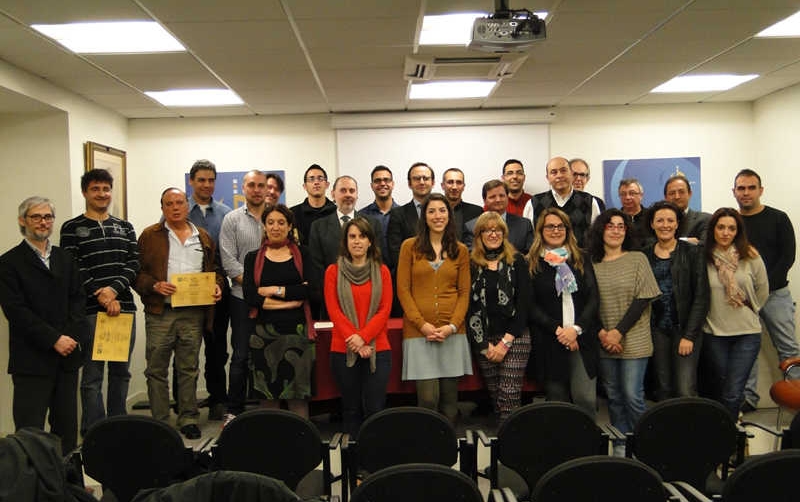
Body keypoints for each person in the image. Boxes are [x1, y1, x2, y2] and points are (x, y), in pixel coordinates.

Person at [135, 188, 224, 439]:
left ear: (187, 206)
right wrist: (154, 285)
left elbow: (215, 270)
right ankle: (161, 421)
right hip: (160, 311)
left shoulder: (203, 236)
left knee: (188, 367)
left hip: (193, 313)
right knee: (156, 368)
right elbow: (136, 273)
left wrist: (217, 285)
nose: (175, 207)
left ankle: (188, 417)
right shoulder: (150, 236)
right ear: (162, 208)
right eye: (169, 204)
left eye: (179, 203)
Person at [0, 196, 86, 453]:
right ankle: (33, 488)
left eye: (47, 216)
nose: (43, 222)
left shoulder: (65, 258)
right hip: (31, 361)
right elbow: (16, 311)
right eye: (36, 216)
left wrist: (69, 337)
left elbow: (78, 300)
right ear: (22, 221)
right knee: (30, 434)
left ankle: (67, 486)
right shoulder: (8, 263)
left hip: (67, 358)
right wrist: (54, 339)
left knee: (67, 430)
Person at [60, 169, 139, 435]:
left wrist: (114, 291)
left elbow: (133, 263)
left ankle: (118, 425)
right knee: (92, 377)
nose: (102, 194)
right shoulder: (71, 228)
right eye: (95, 189)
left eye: (106, 189)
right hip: (91, 311)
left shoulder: (125, 227)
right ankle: (94, 430)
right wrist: (100, 294)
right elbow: (74, 266)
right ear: (85, 192)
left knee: (121, 373)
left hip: (123, 309)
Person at [587, 209, 660, 455]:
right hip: (603, 338)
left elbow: (643, 299)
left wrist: (617, 333)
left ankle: (647, 443)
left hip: (634, 339)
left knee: (633, 395)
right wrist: (603, 334)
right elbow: (585, 303)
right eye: (610, 226)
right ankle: (620, 444)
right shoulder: (590, 263)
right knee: (614, 396)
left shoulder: (637, 259)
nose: (616, 230)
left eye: (621, 226)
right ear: (601, 230)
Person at [396, 193, 472, 422]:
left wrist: (451, 325)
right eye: (431, 211)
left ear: (449, 215)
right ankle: (426, 447)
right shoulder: (409, 247)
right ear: (424, 216)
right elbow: (403, 290)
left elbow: (464, 293)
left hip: (452, 333)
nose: (437, 216)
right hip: (420, 333)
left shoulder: (461, 250)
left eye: (442, 210)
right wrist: (422, 325)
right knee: (428, 399)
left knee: (450, 402)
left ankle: (448, 452)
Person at [733, 169, 800, 412]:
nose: (746, 192)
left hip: (775, 295)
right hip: (742, 300)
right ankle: (748, 398)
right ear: (734, 192)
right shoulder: (732, 224)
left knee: (789, 350)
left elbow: (787, 257)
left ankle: (798, 400)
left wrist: (762, 288)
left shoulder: (778, 218)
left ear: (761, 190)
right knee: (746, 348)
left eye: (751, 187)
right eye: (741, 188)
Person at [219, 170, 284, 421]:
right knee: (241, 355)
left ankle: (272, 408)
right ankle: (234, 410)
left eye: (261, 185)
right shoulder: (231, 220)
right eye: (251, 185)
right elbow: (229, 262)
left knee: (272, 352)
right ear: (243, 189)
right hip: (241, 299)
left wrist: (272, 291)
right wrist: (254, 290)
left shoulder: (277, 217)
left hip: (276, 301)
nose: (257, 190)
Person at [242, 204, 316, 419]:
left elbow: (310, 290)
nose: (276, 227)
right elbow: (251, 296)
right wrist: (289, 301)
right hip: (263, 333)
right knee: (267, 395)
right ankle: (270, 442)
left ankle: (302, 443)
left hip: (297, 332)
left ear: (290, 226)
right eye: (271, 222)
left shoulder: (303, 253)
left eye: (281, 222)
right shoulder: (252, 257)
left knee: (298, 395)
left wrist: (274, 290)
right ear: (264, 226)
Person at [324, 217, 393, 436]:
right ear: (345, 241)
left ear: (370, 241)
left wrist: (362, 337)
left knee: (375, 409)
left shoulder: (382, 272)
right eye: (352, 236)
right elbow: (334, 311)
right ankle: (352, 464)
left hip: (378, 348)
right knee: (351, 409)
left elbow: (384, 310)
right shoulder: (333, 272)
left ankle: (374, 460)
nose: (357, 241)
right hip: (343, 348)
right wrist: (355, 340)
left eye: (362, 236)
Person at [528, 208, 599, 417]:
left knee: (585, 399)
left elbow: (593, 298)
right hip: (549, 340)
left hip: (582, 338)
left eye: (561, 226)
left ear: (568, 230)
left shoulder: (581, 258)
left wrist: (575, 330)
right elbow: (530, 305)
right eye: (550, 226)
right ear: (540, 230)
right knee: (557, 403)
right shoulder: (531, 262)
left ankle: (589, 446)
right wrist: (559, 331)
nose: (556, 230)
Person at [702, 207, 769, 420]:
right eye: (721, 227)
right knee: (722, 389)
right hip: (715, 333)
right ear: (713, 229)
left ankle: (728, 441)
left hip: (747, 333)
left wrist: (751, 311)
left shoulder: (751, 256)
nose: (725, 232)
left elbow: (763, 290)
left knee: (733, 391)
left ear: (738, 231)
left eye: (731, 228)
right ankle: (728, 431)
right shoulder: (703, 257)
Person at [466, 211, 530, 423]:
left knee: (508, 396)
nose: (492, 234)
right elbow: (469, 307)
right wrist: (484, 345)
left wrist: (505, 342)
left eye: (497, 230)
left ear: (504, 233)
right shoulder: (471, 264)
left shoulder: (518, 261)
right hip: (484, 340)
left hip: (515, 337)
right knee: (496, 398)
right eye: (487, 230)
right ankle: (506, 444)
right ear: (479, 235)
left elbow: (524, 305)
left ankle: (512, 448)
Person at [642, 201, 709, 400]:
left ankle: (690, 430)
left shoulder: (692, 252)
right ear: (652, 224)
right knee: (663, 387)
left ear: (678, 224)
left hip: (685, 329)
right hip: (656, 330)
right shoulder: (643, 254)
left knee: (685, 388)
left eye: (670, 220)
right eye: (660, 220)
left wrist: (689, 336)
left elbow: (701, 297)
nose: (665, 225)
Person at [186, 159, 232, 421]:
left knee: (217, 349)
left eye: (211, 180)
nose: (206, 185)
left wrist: (219, 283)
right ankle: (185, 403)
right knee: (185, 349)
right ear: (192, 181)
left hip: (217, 291)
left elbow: (226, 254)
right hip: (185, 294)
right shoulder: (179, 210)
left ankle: (217, 399)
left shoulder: (226, 213)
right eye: (201, 180)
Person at [308, 175, 383, 319]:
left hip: (366, 301)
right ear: (333, 194)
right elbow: (316, 267)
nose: (348, 194)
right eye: (343, 190)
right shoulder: (318, 226)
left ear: (357, 195)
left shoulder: (372, 224)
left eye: (352, 190)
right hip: (332, 302)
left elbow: (377, 260)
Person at [527, 156, 600, 248]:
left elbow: (597, 236)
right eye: (554, 172)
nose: (559, 175)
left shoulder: (589, 201)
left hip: (580, 260)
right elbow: (530, 239)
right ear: (548, 177)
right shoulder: (534, 203)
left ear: (570, 174)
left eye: (563, 171)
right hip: (544, 260)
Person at [386, 162, 435, 270]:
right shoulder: (398, 214)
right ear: (409, 183)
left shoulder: (444, 213)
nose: (421, 182)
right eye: (417, 178)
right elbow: (395, 252)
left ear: (433, 182)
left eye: (425, 178)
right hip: (411, 275)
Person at [464, 180, 533, 254]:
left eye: (502, 195)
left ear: (507, 197)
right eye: (492, 197)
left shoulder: (524, 225)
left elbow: (530, 255)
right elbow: (473, 256)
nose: (498, 200)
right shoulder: (471, 227)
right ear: (485, 200)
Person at [359, 165, 400, 259]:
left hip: (399, 270)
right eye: (377, 181)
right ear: (372, 186)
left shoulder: (404, 214)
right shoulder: (362, 216)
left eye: (386, 180)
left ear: (392, 184)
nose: (382, 183)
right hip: (371, 270)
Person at [290, 164, 335, 246]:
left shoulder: (336, 211)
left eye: (320, 178)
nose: (316, 182)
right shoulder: (292, 214)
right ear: (305, 186)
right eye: (311, 179)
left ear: (327, 184)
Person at [663, 174, 709, 244]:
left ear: (690, 194)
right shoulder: (658, 223)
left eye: (681, 192)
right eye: (672, 193)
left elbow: (707, 247)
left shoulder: (705, 220)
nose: (677, 197)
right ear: (665, 197)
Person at [441, 168, 483, 242]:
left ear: (463, 186)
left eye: (459, 182)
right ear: (442, 185)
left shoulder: (477, 212)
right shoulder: (433, 212)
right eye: (450, 182)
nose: (454, 187)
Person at [618, 178, 652, 250]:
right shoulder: (615, 218)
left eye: (632, 193)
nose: (627, 197)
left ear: (641, 195)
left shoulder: (652, 216)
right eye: (623, 194)